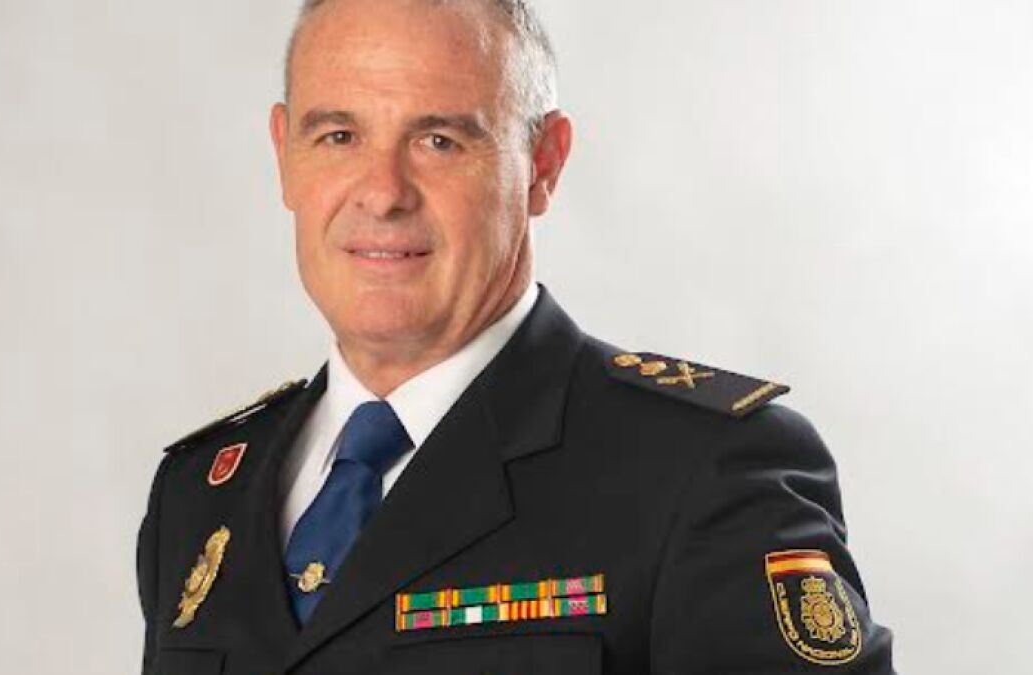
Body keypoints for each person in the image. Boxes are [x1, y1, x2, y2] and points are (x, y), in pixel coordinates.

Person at [136, 0, 896, 673]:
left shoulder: (700, 470)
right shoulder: (200, 495)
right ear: (284, 157)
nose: (383, 193)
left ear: (543, 164)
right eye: (338, 136)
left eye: (439, 140)